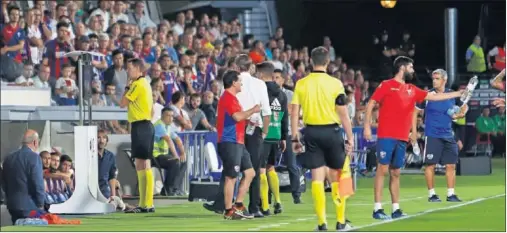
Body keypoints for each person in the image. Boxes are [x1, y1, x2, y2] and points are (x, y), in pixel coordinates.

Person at [363, 56, 464, 220]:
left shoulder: (412, 89)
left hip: (402, 137)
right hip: (387, 135)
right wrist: (367, 126)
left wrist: (459, 93)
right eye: (411, 67)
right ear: (402, 68)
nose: (413, 70)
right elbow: (371, 104)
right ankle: (377, 208)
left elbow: (434, 97)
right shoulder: (387, 85)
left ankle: (396, 208)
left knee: (395, 172)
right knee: (382, 170)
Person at [290, 46, 354, 231]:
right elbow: (343, 114)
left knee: (317, 177)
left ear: (311, 61)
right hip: (332, 132)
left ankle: (321, 223)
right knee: (336, 177)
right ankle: (341, 222)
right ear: (327, 62)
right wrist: (350, 138)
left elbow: (295, 113)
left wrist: (295, 138)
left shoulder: (302, 83)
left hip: (311, 133)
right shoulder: (335, 84)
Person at [203, 54, 271, 218]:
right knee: (236, 174)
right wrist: (262, 128)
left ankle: (232, 204)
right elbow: (253, 113)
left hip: (239, 135)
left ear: (236, 66)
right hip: (235, 136)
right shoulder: (239, 92)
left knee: (246, 172)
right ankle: (242, 208)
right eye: (239, 82)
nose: (241, 83)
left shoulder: (229, 93)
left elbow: (223, 115)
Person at [413, 69, 467, 203]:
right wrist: (414, 132)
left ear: (445, 80)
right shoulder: (427, 95)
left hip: (448, 135)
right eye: (433, 78)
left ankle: (451, 194)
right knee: (430, 165)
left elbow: (464, 106)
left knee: (451, 165)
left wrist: (461, 114)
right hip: (432, 135)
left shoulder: (452, 95)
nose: (434, 81)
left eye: (437, 78)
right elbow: (414, 113)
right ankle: (432, 194)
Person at [217, 70, 259, 220]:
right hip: (230, 142)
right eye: (240, 81)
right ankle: (228, 210)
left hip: (238, 142)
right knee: (231, 176)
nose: (241, 83)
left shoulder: (233, 98)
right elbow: (236, 116)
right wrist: (252, 110)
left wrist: (247, 120)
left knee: (250, 173)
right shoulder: (228, 98)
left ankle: (238, 205)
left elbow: (237, 118)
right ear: (234, 83)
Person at [119, 58, 155, 213]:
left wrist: (127, 86)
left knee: (143, 164)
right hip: (144, 125)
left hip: (141, 125)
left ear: (138, 70)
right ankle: (145, 203)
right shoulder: (145, 83)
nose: (128, 71)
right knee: (141, 164)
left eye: (130, 68)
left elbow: (123, 103)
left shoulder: (137, 84)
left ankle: (147, 203)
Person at [256, 62, 288, 215]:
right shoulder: (281, 93)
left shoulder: (260, 90)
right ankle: (278, 201)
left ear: (262, 75)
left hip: (263, 133)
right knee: (271, 168)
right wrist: (283, 137)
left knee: (261, 170)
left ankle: (265, 206)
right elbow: (285, 116)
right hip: (276, 134)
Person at [1, 129, 45, 224]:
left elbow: (3, 182)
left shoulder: (8, 158)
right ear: (35, 142)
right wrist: (41, 203)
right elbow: (38, 182)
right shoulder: (34, 157)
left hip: (12, 205)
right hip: (30, 205)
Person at [277, 68, 302, 204]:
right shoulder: (267, 94)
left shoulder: (290, 94)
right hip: (272, 132)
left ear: (283, 80)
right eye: (273, 77)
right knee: (269, 166)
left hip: (286, 132)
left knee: (291, 164)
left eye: (277, 78)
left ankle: (296, 195)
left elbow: (292, 111)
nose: (275, 80)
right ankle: (269, 197)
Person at [152, 107, 187, 196]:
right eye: (168, 115)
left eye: (172, 116)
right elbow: (168, 140)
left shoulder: (167, 127)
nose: (171, 118)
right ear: (162, 116)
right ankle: (167, 189)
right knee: (175, 162)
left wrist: (182, 153)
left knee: (183, 162)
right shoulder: (159, 125)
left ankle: (175, 188)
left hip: (163, 156)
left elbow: (177, 139)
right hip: (155, 156)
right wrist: (176, 155)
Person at [97, 129, 119, 200]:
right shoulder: (89, 155)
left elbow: (112, 177)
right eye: (98, 137)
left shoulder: (110, 156)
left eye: (104, 138)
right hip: (92, 190)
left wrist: (113, 196)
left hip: (105, 190)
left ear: (106, 140)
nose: (101, 140)